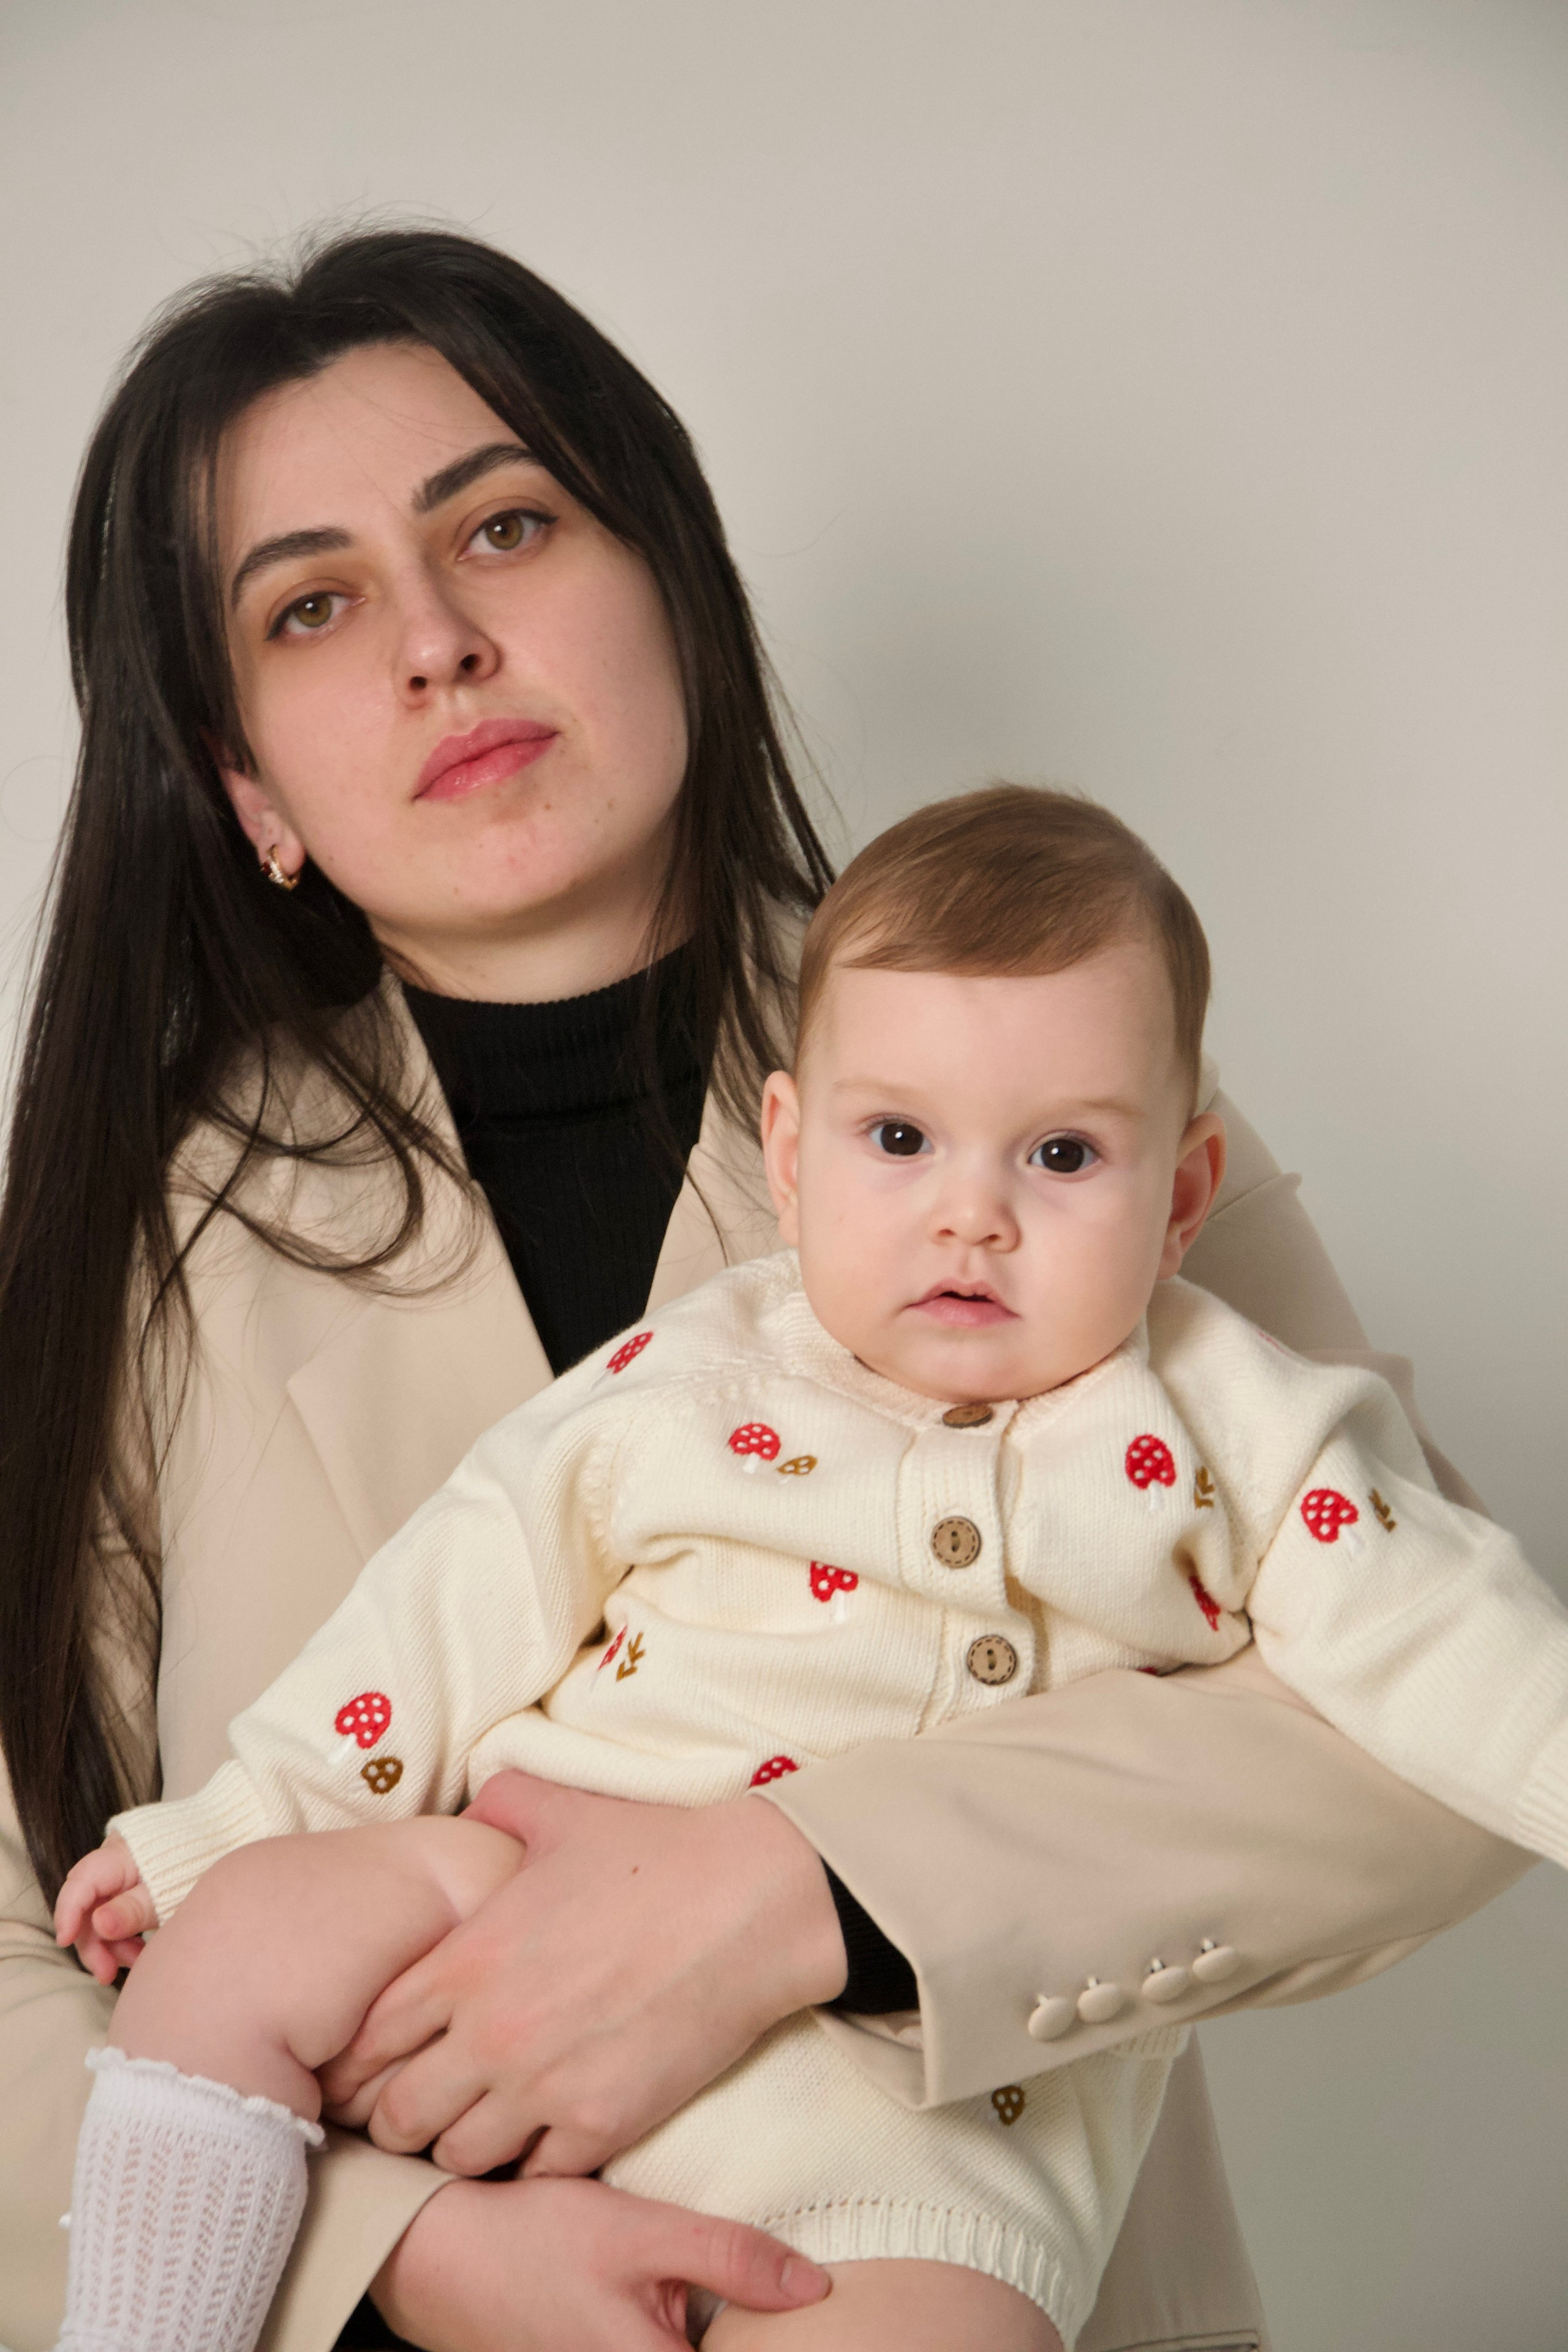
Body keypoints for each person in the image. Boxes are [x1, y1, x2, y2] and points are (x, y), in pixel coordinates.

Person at [0, 229, 1527, 2352]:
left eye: (504, 526)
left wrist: (812, 1889)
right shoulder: (138, 1245)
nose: (438, 644)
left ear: (677, 584)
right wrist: (396, 2254)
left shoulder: (1070, 1110)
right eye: (312, 606)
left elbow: (1425, 1724)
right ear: (243, 777)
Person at [55, 785, 1568, 2352]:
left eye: (1059, 1155)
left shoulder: (1237, 1427)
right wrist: (243, 1824)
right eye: (898, 1140)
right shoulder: (691, 1376)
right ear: (788, 1155)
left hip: (923, 2124)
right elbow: (450, 1598)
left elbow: (1446, 1639)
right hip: (516, 1898)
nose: (970, 1218)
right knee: (241, 1944)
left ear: (1179, 1198)